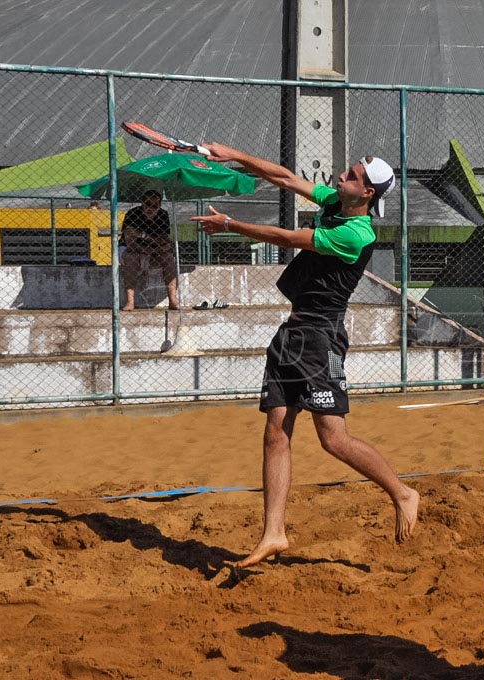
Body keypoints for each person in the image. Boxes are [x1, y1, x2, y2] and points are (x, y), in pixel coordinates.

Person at [191, 144, 419, 569]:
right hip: (293, 332)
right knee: (276, 431)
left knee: (333, 439)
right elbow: (283, 176)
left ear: (366, 193)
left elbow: (286, 238)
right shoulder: (337, 201)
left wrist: (228, 224)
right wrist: (233, 155)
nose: (342, 176)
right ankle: (274, 533)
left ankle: (402, 492)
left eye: (351, 175)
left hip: (319, 336)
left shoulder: (357, 233)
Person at [120, 190, 179, 311]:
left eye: (154, 206)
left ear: (159, 206)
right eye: (147, 204)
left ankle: (173, 300)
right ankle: (130, 301)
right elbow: (130, 243)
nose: (150, 208)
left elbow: (165, 241)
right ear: (142, 203)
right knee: (131, 257)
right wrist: (155, 244)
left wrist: (142, 236)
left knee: (168, 258)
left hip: (152, 250)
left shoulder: (163, 215)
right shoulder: (133, 214)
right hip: (130, 249)